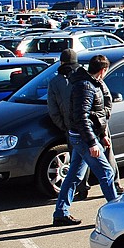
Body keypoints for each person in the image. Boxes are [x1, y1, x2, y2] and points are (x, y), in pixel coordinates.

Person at [51, 55, 118, 226]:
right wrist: (92, 143)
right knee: (107, 173)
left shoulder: (91, 83)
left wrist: (102, 135)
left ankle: (60, 212)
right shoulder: (85, 86)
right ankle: (117, 215)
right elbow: (81, 118)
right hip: (84, 138)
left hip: (86, 136)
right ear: (103, 70)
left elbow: (98, 113)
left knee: (74, 175)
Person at [47, 48, 91, 200]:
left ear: (61, 62)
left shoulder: (55, 82)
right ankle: (111, 188)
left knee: (76, 160)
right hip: (88, 125)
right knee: (96, 158)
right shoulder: (85, 76)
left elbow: (53, 109)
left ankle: (79, 189)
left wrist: (64, 126)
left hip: (71, 128)